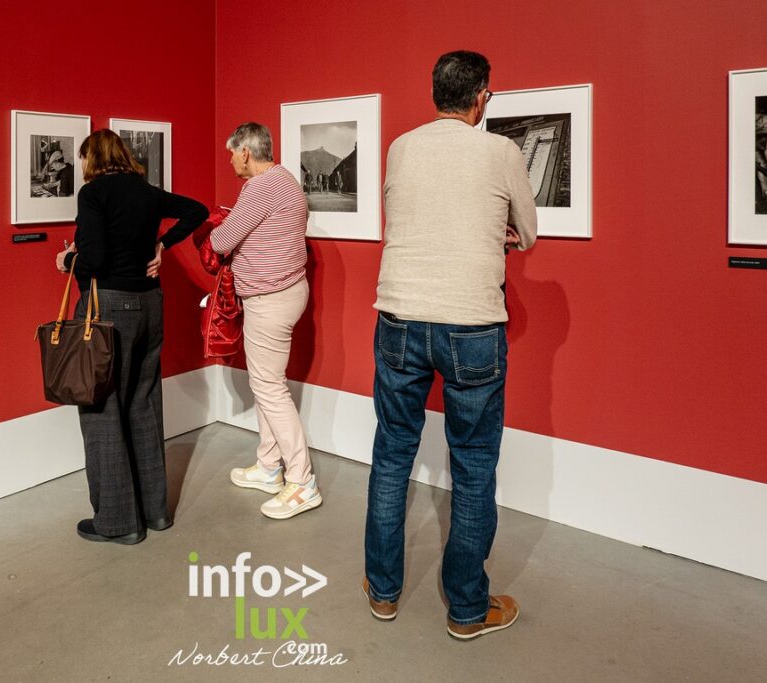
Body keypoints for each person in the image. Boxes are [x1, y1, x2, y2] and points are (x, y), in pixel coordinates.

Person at [363, 51, 537, 639]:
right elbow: (528, 233)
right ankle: (466, 608)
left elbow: (406, 220)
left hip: (399, 316)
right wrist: (499, 234)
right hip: (471, 325)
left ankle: (383, 591)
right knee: (474, 463)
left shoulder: (401, 148)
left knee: (392, 454)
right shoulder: (501, 151)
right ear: (481, 97)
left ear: (436, 92)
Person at [54, 129, 207, 545]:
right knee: (144, 403)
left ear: (92, 159)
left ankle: (118, 522)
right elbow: (196, 210)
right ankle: (154, 512)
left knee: (101, 408)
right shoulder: (146, 191)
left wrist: (68, 259)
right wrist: (162, 245)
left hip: (108, 308)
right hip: (150, 304)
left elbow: (95, 258)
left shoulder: (93, 194)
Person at [210, 122, 322, 520]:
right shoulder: (285, 179)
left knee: (270, 389)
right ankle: (269, 466)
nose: (230, 161)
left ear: (245, 152)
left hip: (269, 300)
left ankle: (302, 482)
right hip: (286, 293)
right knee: (266, 383)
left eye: (231, 153)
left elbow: (221, 241)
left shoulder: (259, 188)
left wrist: (218, 228)